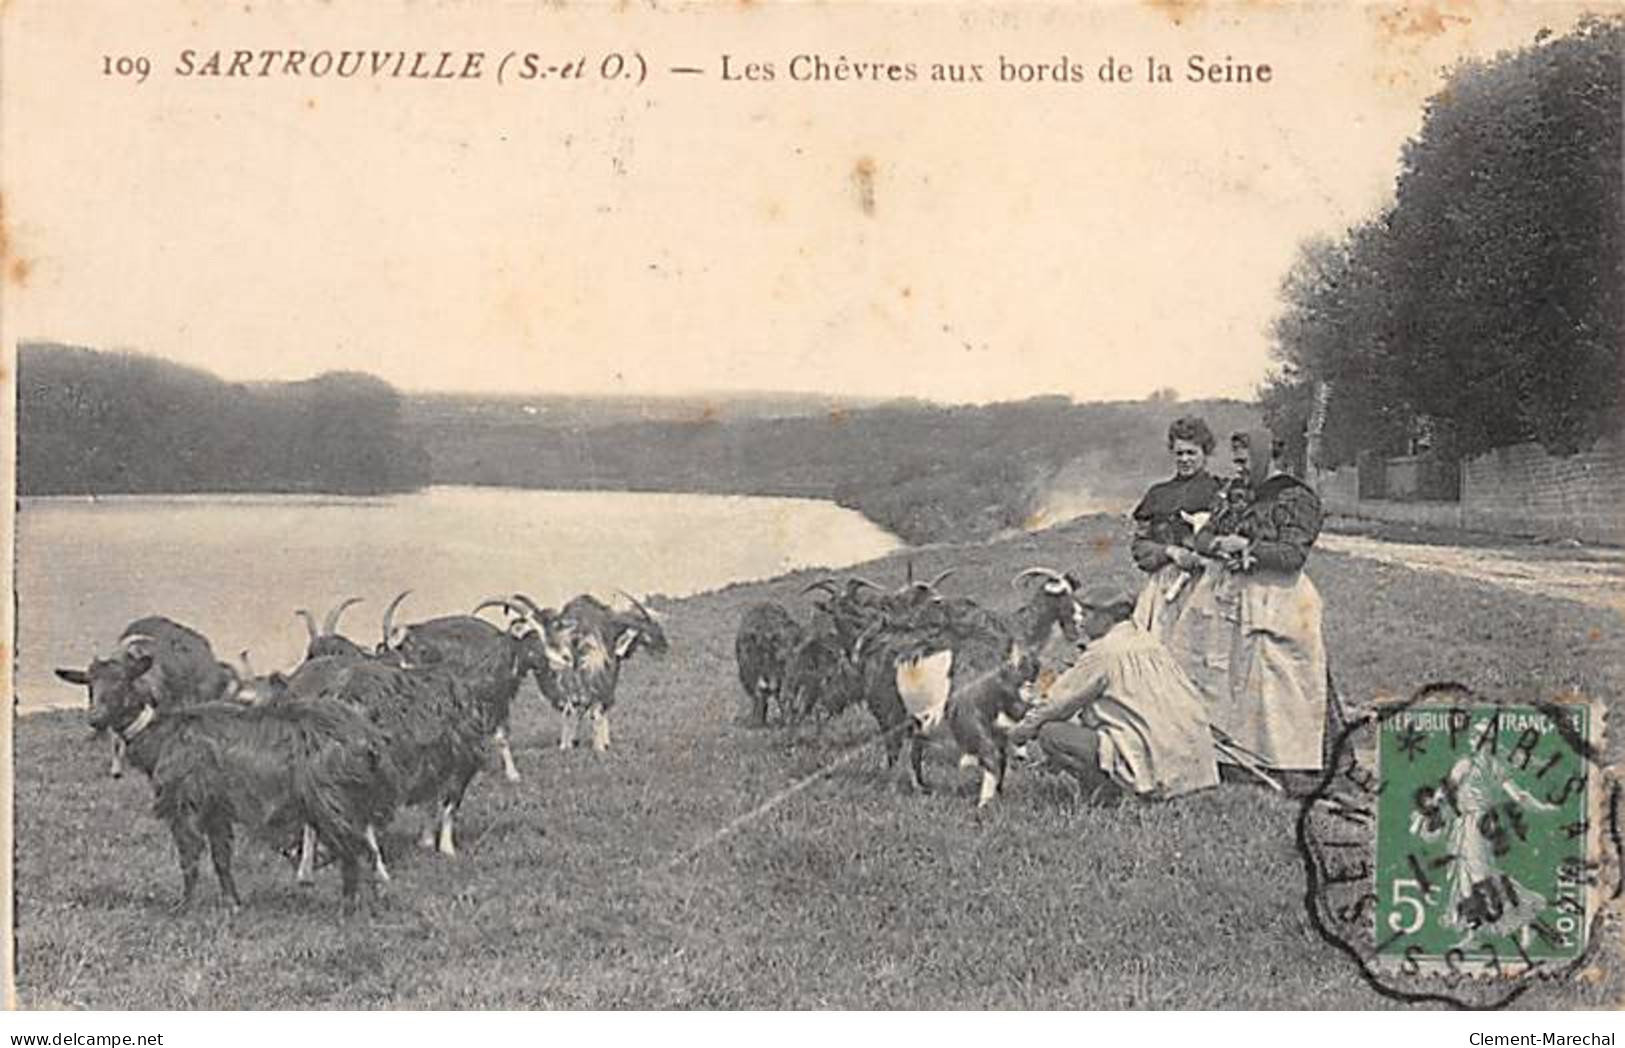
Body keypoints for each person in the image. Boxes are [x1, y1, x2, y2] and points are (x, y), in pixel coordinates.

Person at [1196, 428, 1329, 778]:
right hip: (1236, 597)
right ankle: (1240, 757)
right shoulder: (1235, 493)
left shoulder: (1294, 498)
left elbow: (1293, 554)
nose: (1239, 469)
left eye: (1244, 461)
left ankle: (1287, 762)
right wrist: (1219, 544)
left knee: (1278, 681)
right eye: (1236, 462)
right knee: (1234, 678)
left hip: (1280, 597)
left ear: (1267, 458)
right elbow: (1203, 535)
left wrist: (1249, 550)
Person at [1007, 584, 1219, 802]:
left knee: (1052, 733)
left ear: (1107, 618)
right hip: (1193, 760)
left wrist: (1017, 735)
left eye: (1086, 613)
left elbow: (1054, 705)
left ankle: (1109, 794)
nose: (1079, 620)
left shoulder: (1103, 653)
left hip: (1152, 756)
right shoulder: (1150, 643)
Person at [1129, 415, 1231, 712]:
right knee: (1159, 654)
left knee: (1205, 657)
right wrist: (1171, 552)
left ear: (1205, 452)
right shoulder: (1158, 494)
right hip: (1165, 588)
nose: (1185, 459)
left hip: (1208, 583)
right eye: (1179, 453)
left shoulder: (1221, 492)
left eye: (1192, 452)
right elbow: (1140, 545)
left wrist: (1206, 554)